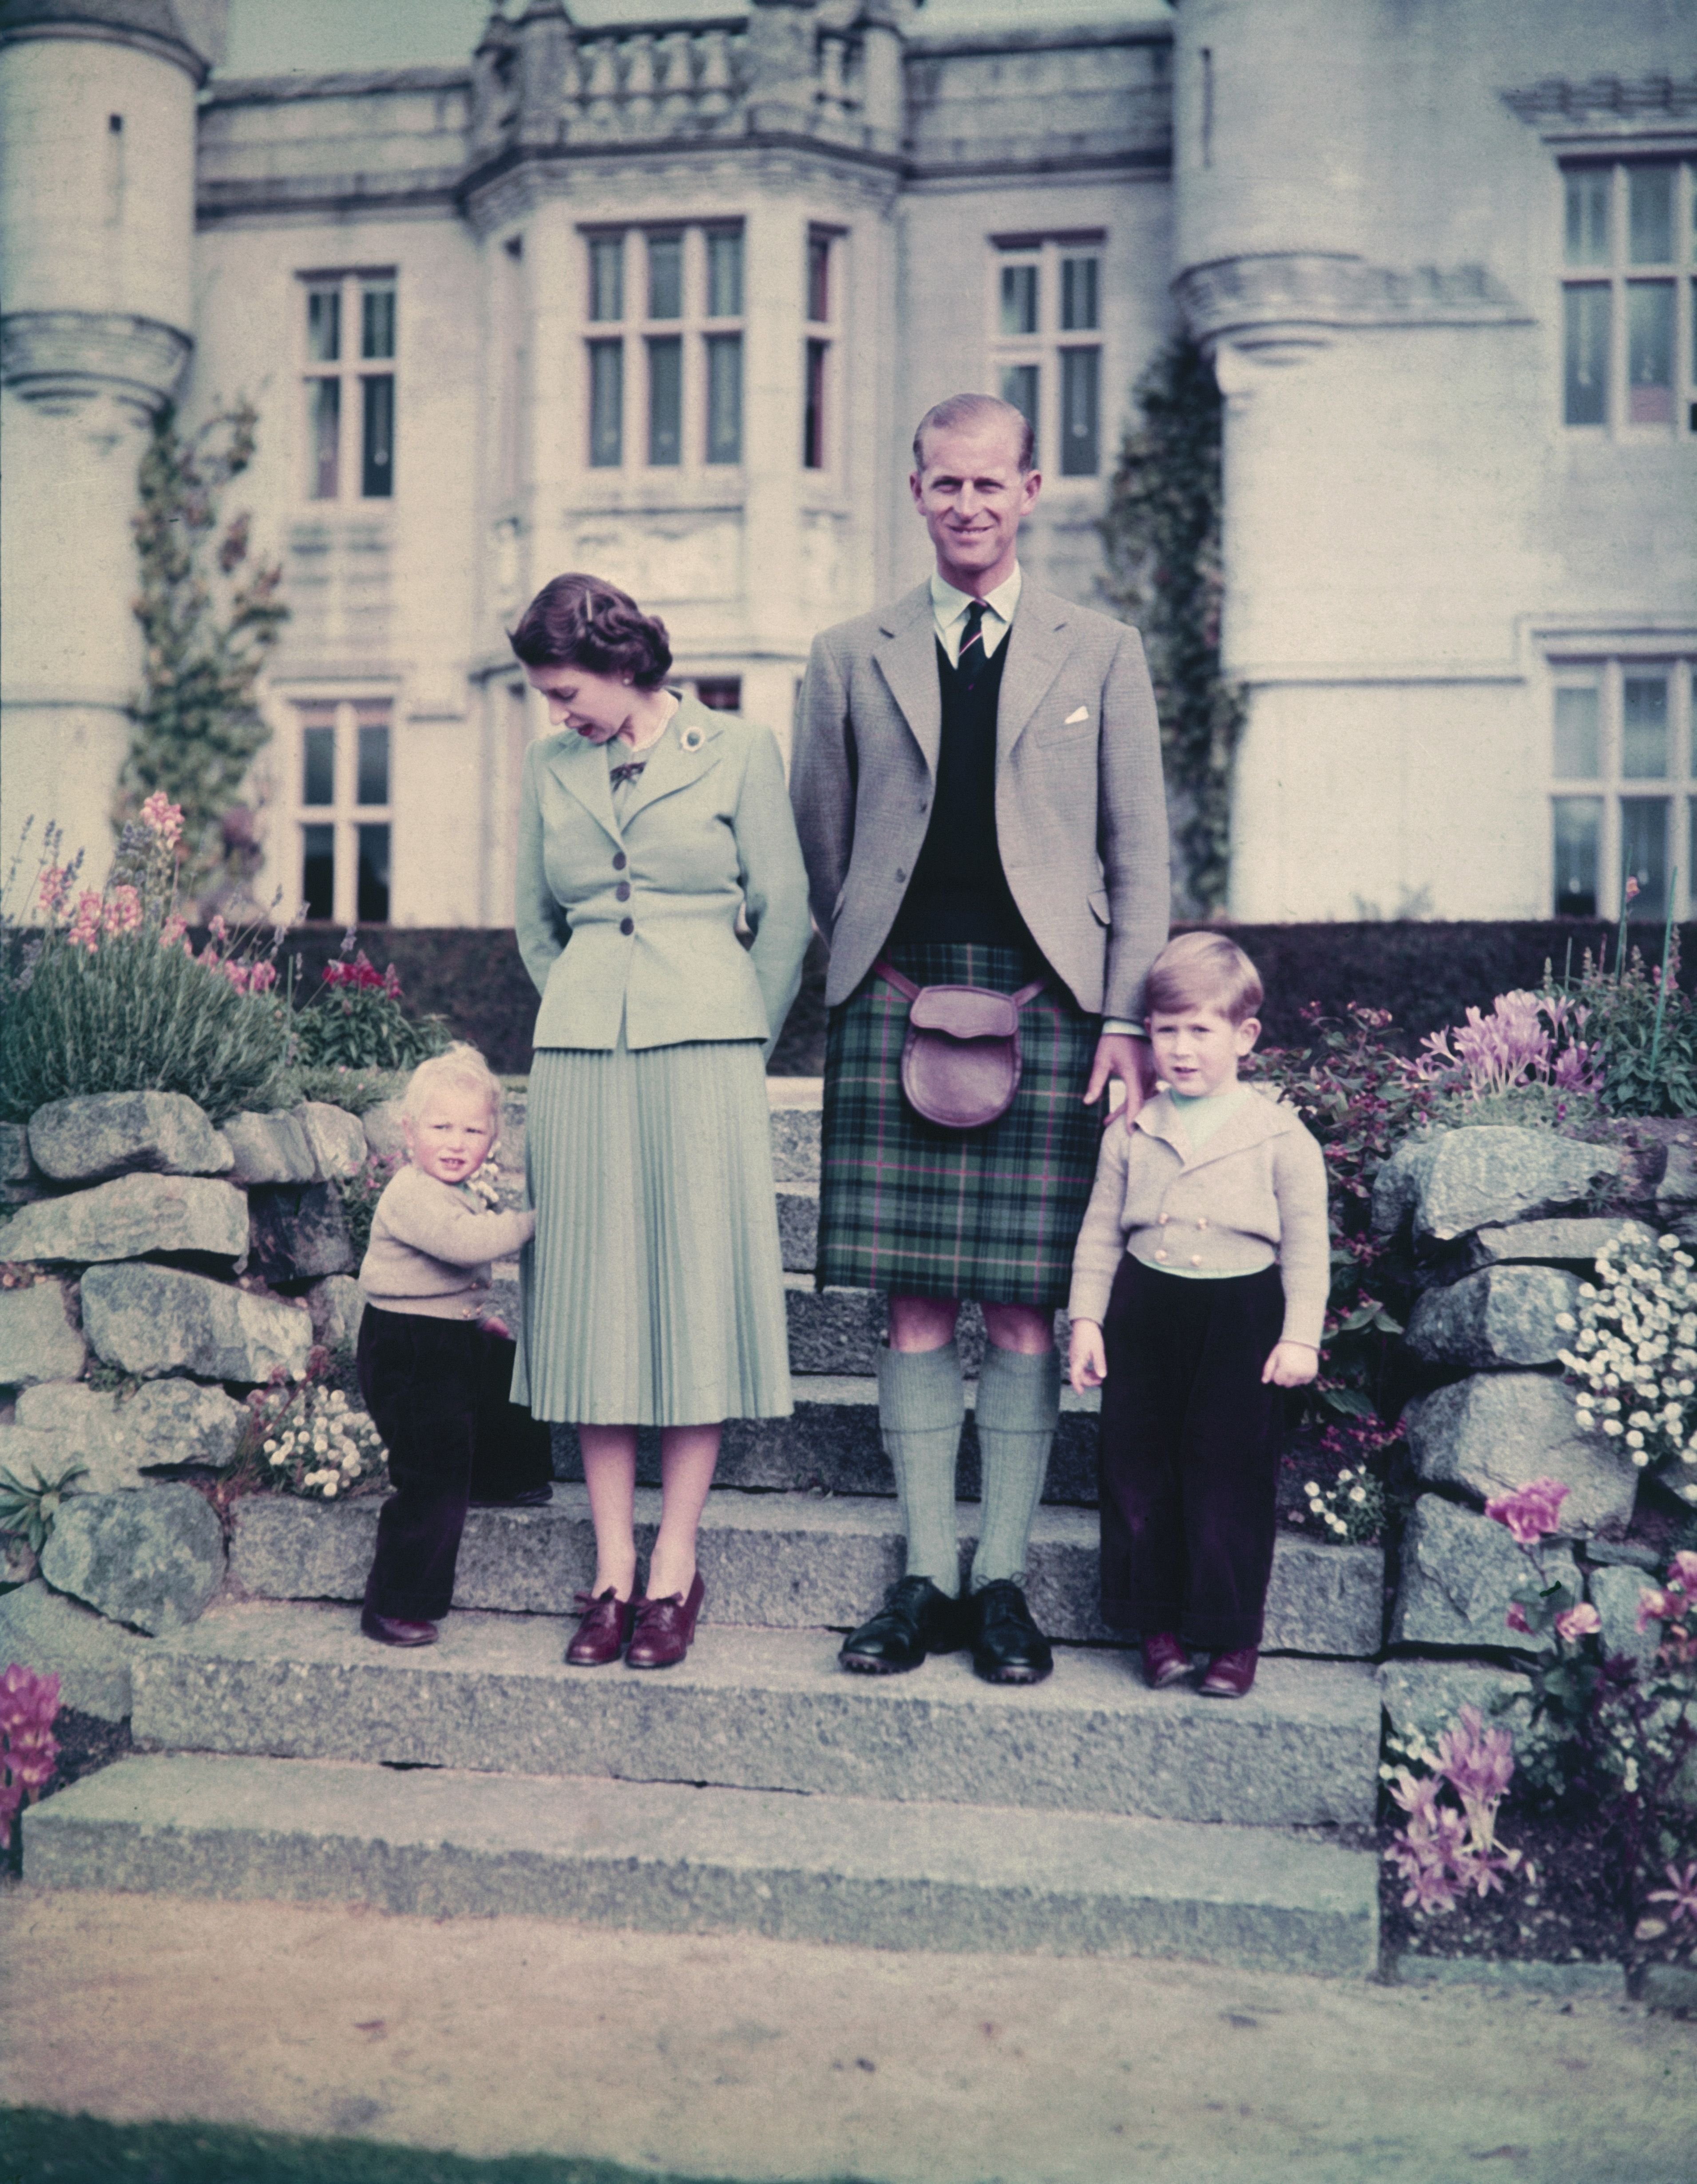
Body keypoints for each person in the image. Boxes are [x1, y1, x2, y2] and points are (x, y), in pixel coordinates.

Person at [790, 392, 1170, 1684]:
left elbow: (1140, 850)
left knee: (1020, 1306)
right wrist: (862, 973)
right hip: (896, 990)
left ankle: (999, 1581)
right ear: (914, 491)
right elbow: (822, 837)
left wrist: (1122, 1015)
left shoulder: (1102, 647)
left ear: (1029, 488)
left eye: (988, 484)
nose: (966, 504)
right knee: (911, 1303)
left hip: (1049, 1004)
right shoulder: (848, 651)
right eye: (943, 484)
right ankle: (917, 1578)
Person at [510, 572, 810, 1670]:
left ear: (623, 662)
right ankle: (610, 1569)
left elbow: (785, 918)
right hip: (583, 1054)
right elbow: (536, 923)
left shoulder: (738, 752)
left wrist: (739, 1035)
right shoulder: (549, 767)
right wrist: (585, 1001)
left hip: (707, 1052)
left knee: (690, 1293)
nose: (558, 712)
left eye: (565, 690)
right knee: (593, 1300)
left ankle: (676, 1563)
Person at [1067, 932, 1329, 1698]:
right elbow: (1098, 1231)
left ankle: (1230, 1635)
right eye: (1164, 1029)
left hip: (1240, 1315)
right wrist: (1086, 1321)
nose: (1180, 1050)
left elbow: (1309, 1246)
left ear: (1244, 1036)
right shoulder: (1133, 1130)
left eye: (1199, 1030)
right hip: (1145, 1308)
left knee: (1229, 1475)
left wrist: (1300, 1335)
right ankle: (1156, 1628)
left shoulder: (1281, 1136)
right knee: (1136, 1470)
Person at [356, 1042, 554, 1648]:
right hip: (407, 1348)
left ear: (493, 1138)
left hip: (446, 1332)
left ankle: (508, 1475)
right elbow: (463, 1243)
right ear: (410, 1131)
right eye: (441, 1126)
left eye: (473, 1129)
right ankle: (396, 1600)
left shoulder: (459, 1187)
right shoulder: (410, 1191)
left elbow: (450, 1277)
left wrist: (472, 1317)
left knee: (506, 1375)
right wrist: (536, 1221)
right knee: (431, 1468)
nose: (456, 1141)